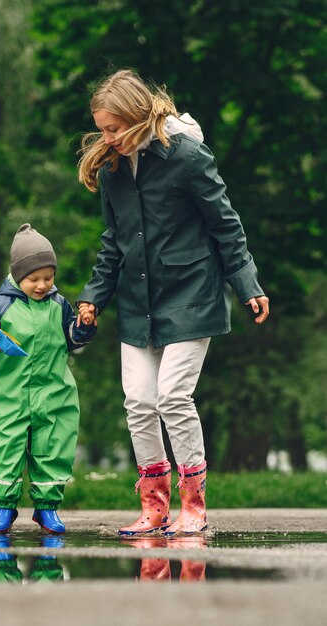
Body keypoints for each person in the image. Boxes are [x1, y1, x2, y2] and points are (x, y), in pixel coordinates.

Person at [76, 69, 269, 537]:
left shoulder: (185, 155)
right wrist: (92, 299)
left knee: (172, 397)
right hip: (137, 302)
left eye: (114, 128)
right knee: (139, 401)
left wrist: (248, 283)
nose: (108, 138)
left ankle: (194, 506)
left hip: (192, 293)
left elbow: (225, 223)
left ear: (138, 116)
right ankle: (155, 506)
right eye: (101, 129)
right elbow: (113, 243)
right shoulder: (114, 171)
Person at [0, 223, 96, 534]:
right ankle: (4, 507)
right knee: (8, 447)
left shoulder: (59, 305)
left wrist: (84, 326)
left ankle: (47, 508)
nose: (41, 285)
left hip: (53, 392)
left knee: (52, 447)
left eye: (48, 278)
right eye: (33, 279)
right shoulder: (0, 306)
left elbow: (74, 339)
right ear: (17, 275)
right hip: (9, 395)